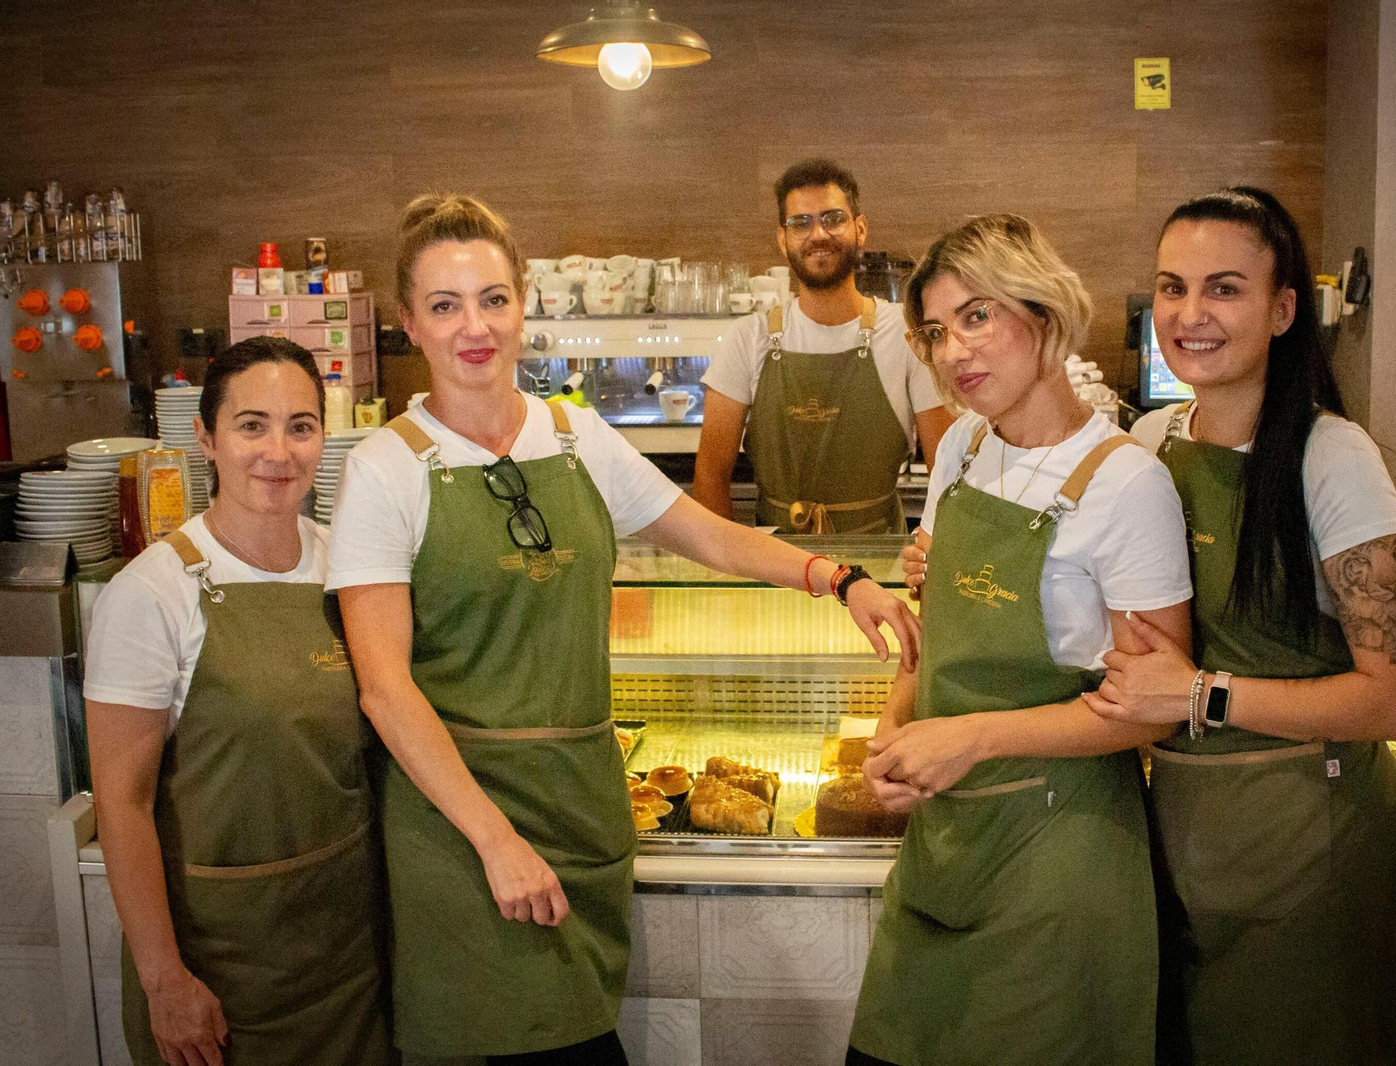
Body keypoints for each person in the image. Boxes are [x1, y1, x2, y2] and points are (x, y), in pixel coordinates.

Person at [327, 193, 920, 1065]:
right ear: (411, 321)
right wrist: (494, 841)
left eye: (492, 299)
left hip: (581, 805)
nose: (474, 327)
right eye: (446, 306)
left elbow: (705, 534)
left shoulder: (574, 435)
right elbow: (385, 688)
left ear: (523, 303)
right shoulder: (386, 470)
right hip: (462, 824)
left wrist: (837, 577)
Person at [1091, 187, 1396, 1065]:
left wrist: (1201, 693)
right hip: (1188, 844)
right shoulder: (1152, 439)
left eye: (1224, 288)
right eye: (1172, 287)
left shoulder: (1335, 457)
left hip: (1319, 852)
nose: (1190, 314)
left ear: (1285, 310)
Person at [848, 214, 1193, 1066]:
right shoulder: (962, 449)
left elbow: (1150, 710)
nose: (954, 351)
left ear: (1042, 314)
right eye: (934, 331)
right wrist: (899, 727)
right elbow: (939, 635)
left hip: (1057, 857)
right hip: (946, 850)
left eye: (977, 316)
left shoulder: (1126, 483)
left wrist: (972, 737)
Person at [86, 337, 390, 1066]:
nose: (278, 451)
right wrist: (165, 982)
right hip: (223, 971)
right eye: (251, 425)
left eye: (301, 425)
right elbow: (121, 804)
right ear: (205, 438)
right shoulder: (153, 594)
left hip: (348, 954)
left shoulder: (345, 566)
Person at [693, 158, 953, 533]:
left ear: (860, 229)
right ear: (782, 240)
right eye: (801, 223)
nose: (818, 234)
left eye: (833, 219)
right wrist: (729, 575)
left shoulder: (906, 332)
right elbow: (710, 474)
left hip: (878, 563)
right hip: (777, 565)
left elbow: (945, 472)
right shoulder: (748, 338)